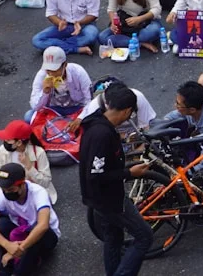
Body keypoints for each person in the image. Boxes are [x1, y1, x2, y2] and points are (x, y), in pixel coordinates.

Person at [80, 84, 148, 276]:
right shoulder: (102, 135)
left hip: (97, 199)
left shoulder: (95, 125)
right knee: (144, 237)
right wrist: (129, 173)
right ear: (127, 111)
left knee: (114, 238)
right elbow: (97, 175)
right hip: (109, 199)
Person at [0, 161, 59, 275]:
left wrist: (18, 250)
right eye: (4, 189)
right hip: (18, 233)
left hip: (45, 236)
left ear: (23, 184)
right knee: (1, 224)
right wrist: (7, 245)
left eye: (11, 189)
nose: (6, 192)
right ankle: (4, 266)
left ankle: (20, 270)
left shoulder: (38, 192)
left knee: (35, 230)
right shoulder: (1, 195)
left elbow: (43, 225)